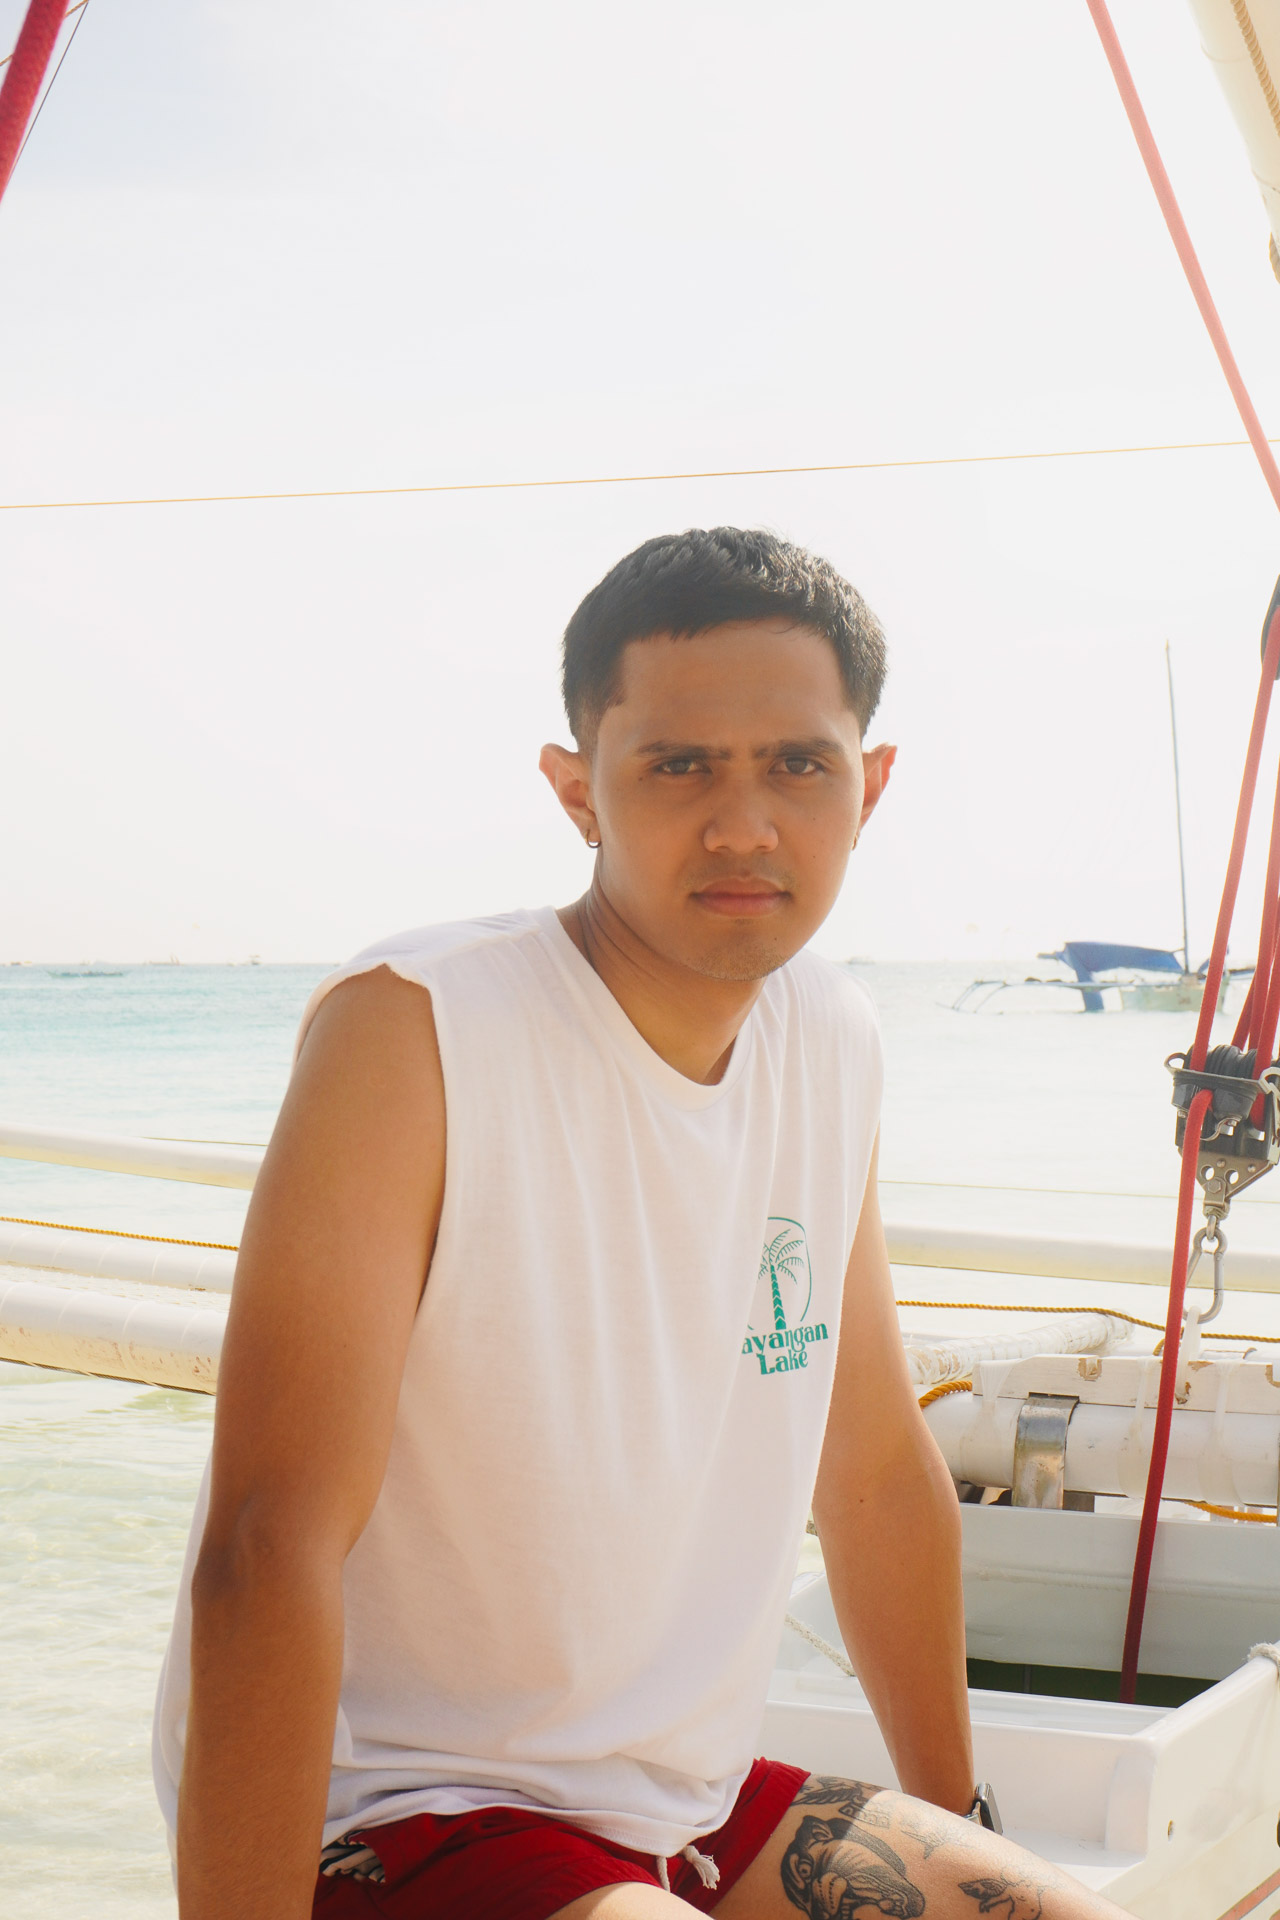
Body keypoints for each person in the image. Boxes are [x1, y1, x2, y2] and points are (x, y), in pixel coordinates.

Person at [156, 527, 1128, 1920]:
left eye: (797, 765)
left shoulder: (830, 1035)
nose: (744, 824)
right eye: (680, 766)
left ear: (871, 787)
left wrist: (955, 1815)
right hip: (406, 1807)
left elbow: (870, 1470)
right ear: (579, 792)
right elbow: (267, 1542)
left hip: (685, 1798)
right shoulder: (417, 1031)